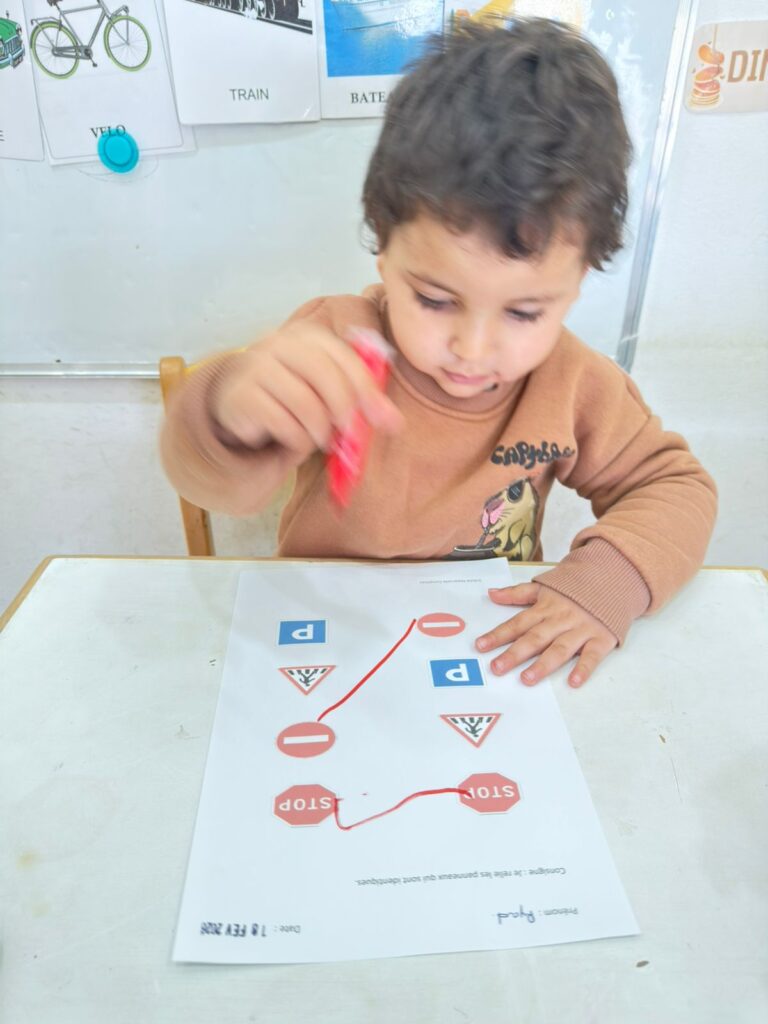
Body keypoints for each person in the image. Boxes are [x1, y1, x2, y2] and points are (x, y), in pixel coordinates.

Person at [161, 19, 717, 690]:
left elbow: (675, 487)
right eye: (433, 299)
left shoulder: (574, 381)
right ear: (383, 250)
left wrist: (603, 584)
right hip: (325, 643)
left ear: (575, 287)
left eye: (524, 312)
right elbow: (219, 486)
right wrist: (230, 411)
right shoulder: (333, 341)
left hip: (487, 651)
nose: (473, 350)